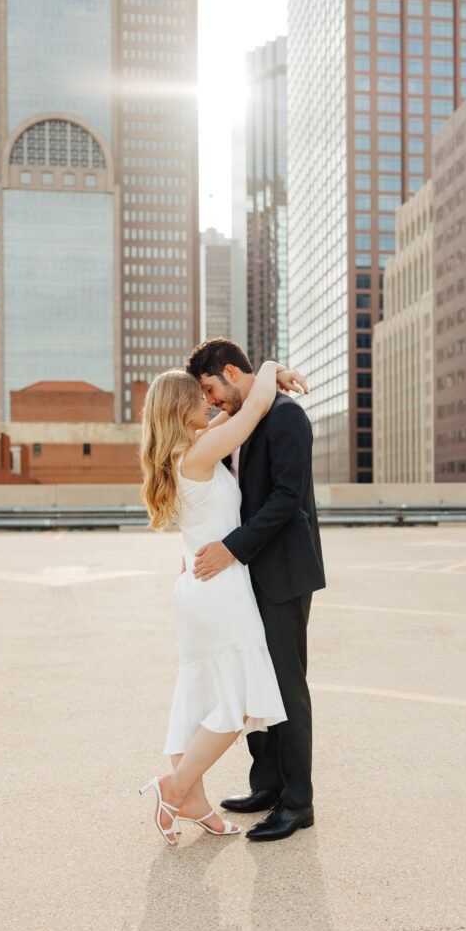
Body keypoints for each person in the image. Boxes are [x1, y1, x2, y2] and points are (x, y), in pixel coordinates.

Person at [138, 359, 308, 845]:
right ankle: (176, 786)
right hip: (220, 588)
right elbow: (253, 407)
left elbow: (232, 415)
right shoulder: (200, 450)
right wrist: (272, 367)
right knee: (236, 703)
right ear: (181, 405)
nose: (208, 400)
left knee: (197, 694)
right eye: (199, 395)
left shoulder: (186, 449)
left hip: (199, 586)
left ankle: (193, 803)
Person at [186, 338, 326, 842]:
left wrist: (231, 548)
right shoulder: (242, 418)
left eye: (211, 389)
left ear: (229, 371)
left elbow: (288, 499)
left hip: (283, 573)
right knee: (256, 683)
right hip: (248, 574)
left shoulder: (286, 417)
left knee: (288, 687)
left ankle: (298, 802)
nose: (211, 402)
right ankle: (266, 784)